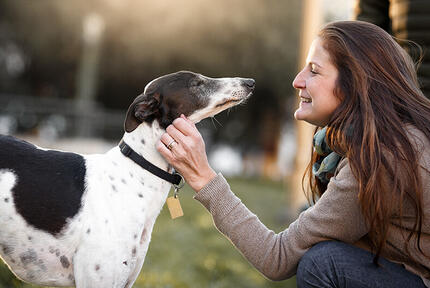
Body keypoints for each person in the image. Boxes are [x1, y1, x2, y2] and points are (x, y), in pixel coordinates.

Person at [156, 21, 430, 287]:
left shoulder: (381, 157)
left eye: (314, 71)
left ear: (355, 83)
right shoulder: (389, 139)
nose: (297, 81)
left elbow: (277, 258)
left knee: (324, 264)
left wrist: (204, 178)